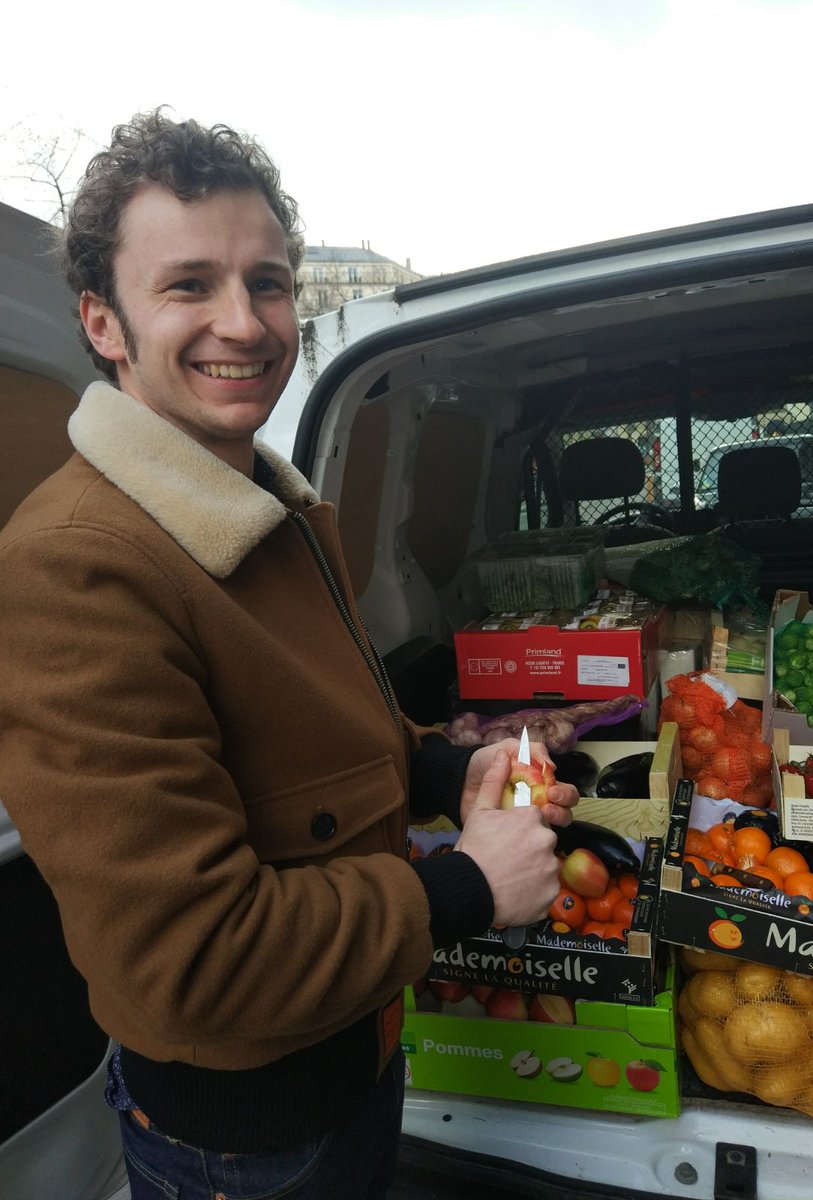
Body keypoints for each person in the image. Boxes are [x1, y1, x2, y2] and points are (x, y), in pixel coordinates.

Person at [0, 110, 577, 1199]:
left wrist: (450, 771)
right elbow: (194, 962)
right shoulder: (77, 569)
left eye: (267, 282)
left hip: (357, 1046)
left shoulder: (268, 503)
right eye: (188, 286)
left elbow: (315, 736)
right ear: (103, 323)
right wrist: (459, 890)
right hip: (244, 1141)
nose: (245, 321)